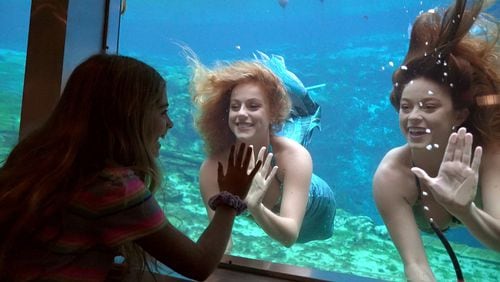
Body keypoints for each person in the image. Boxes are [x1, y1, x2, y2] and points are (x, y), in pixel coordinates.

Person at [0, 54, 264, 281]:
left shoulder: (36, 157)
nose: (170, 124)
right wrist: (230, 198)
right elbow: (199, 264)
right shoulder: (114, 187)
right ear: (130, 116)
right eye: (162, 111)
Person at [373, 0, 500, 280]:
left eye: (429, 107)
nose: (413, 117)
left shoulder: (489, 152)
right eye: (406, 107)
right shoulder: (393, 174)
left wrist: (465, 211)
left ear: (459, 115)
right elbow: (416, 265)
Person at [186, 49, 336, 249]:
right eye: (235, 106)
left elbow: (289, 236)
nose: (241, 113)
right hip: (274, 219)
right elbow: (222, 240)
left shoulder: (294, 157)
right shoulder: (212, 168)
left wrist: (256, 207)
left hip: (319, 208)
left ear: (272, 112)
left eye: (253, 106)